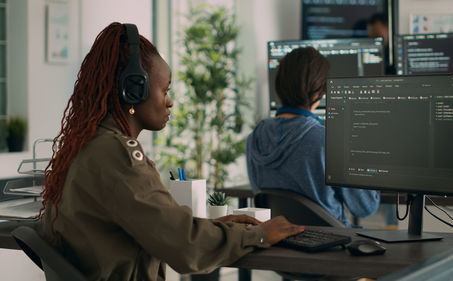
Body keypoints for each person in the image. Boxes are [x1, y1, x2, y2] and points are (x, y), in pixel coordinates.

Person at [39, 22, 302, 281]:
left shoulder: (85, 144)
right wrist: (259, 235)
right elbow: (185, 248)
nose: (170, 101)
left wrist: (214, 227)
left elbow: (160, 227)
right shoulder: (116, 154)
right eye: (165, 90)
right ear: (134, 90)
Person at [246, 47, 380, 227]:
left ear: (278, 84)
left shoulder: (255, 138)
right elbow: (365, 207)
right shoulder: (328, 140)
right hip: (332, 246)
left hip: (280, 243)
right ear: (322, 90)